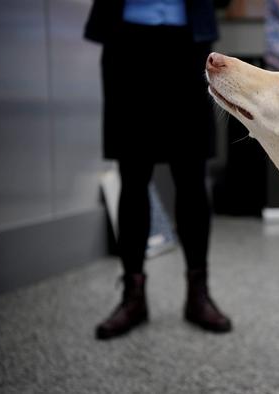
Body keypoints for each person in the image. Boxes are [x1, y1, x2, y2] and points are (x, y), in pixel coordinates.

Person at [84, 0, 232, 340]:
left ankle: (198, 294)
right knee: (133, 175)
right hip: (126, 41)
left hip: (187, 42)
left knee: (192, 175)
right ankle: (132, 296)